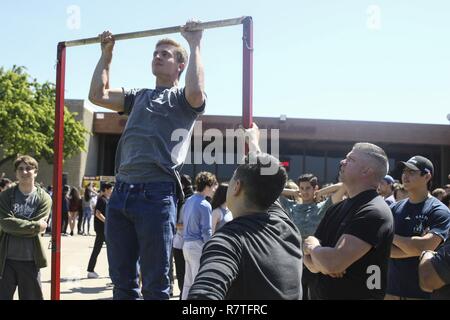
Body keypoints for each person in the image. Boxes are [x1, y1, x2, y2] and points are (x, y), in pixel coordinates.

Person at [89, 20, 206, 300]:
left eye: (165, 54)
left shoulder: (181, 99)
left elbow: (196, 92)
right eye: (156, 53)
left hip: (156, 194)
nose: (158, 56)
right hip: (122, 192)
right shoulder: (138, 96)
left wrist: (195, 43)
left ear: (180, 65)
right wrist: (106, 55)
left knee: (155, 285)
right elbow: (98, 95)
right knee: (122, 283)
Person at [188, 124, 303, 300]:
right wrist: (254, 141)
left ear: (237, 187)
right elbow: (265, 180)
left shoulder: (227, 241)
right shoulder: (286, 225)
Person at [303, 143, 394, 300]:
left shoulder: (374, 212)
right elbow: (309, 262)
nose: (342, 162)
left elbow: (333, 263)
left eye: (350, 159)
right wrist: (319, 256)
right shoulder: (336, 209)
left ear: (366, 171)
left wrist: (314, 249)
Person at [386, 156, 450, 299]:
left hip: (422, 294)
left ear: (427, 176)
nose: (405, 175)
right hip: (391, 292)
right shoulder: (394, 208)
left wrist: (391, 236)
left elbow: (426, 246)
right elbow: (381, 247)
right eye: (404, 171)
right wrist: (414, 247)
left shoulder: (439, 211)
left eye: (412, 172)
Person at [0, 155, 52, 300]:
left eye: (28, 168)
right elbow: (5, 223)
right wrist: (34, 226)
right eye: (20, 169)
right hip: (5, 260)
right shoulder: (5, 196)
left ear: (35, 172)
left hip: (30, 260)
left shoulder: (44, 198)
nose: (24, 172)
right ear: (16, 173)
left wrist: (15, 225)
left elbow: (12, 225)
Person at [181, 171, 218, 300]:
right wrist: (211, 248)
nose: (215, 189)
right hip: (197, 245)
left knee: (187, 282)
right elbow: (206, 231)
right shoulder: (205, 204)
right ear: (207, 186)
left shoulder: (189, 200)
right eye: (213, 186)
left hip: (186, 245)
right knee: (199, 282)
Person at [87, 183, 113, 279]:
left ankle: (91, 270)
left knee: (101, 250)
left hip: (103, 229)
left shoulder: (105, 199)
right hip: (102, 230)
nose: (112, 191)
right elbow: (98, 213)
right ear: (106, 189)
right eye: (111, 189)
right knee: (110, 251)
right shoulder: (102, 200)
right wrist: (107, 222)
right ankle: (91, 271)